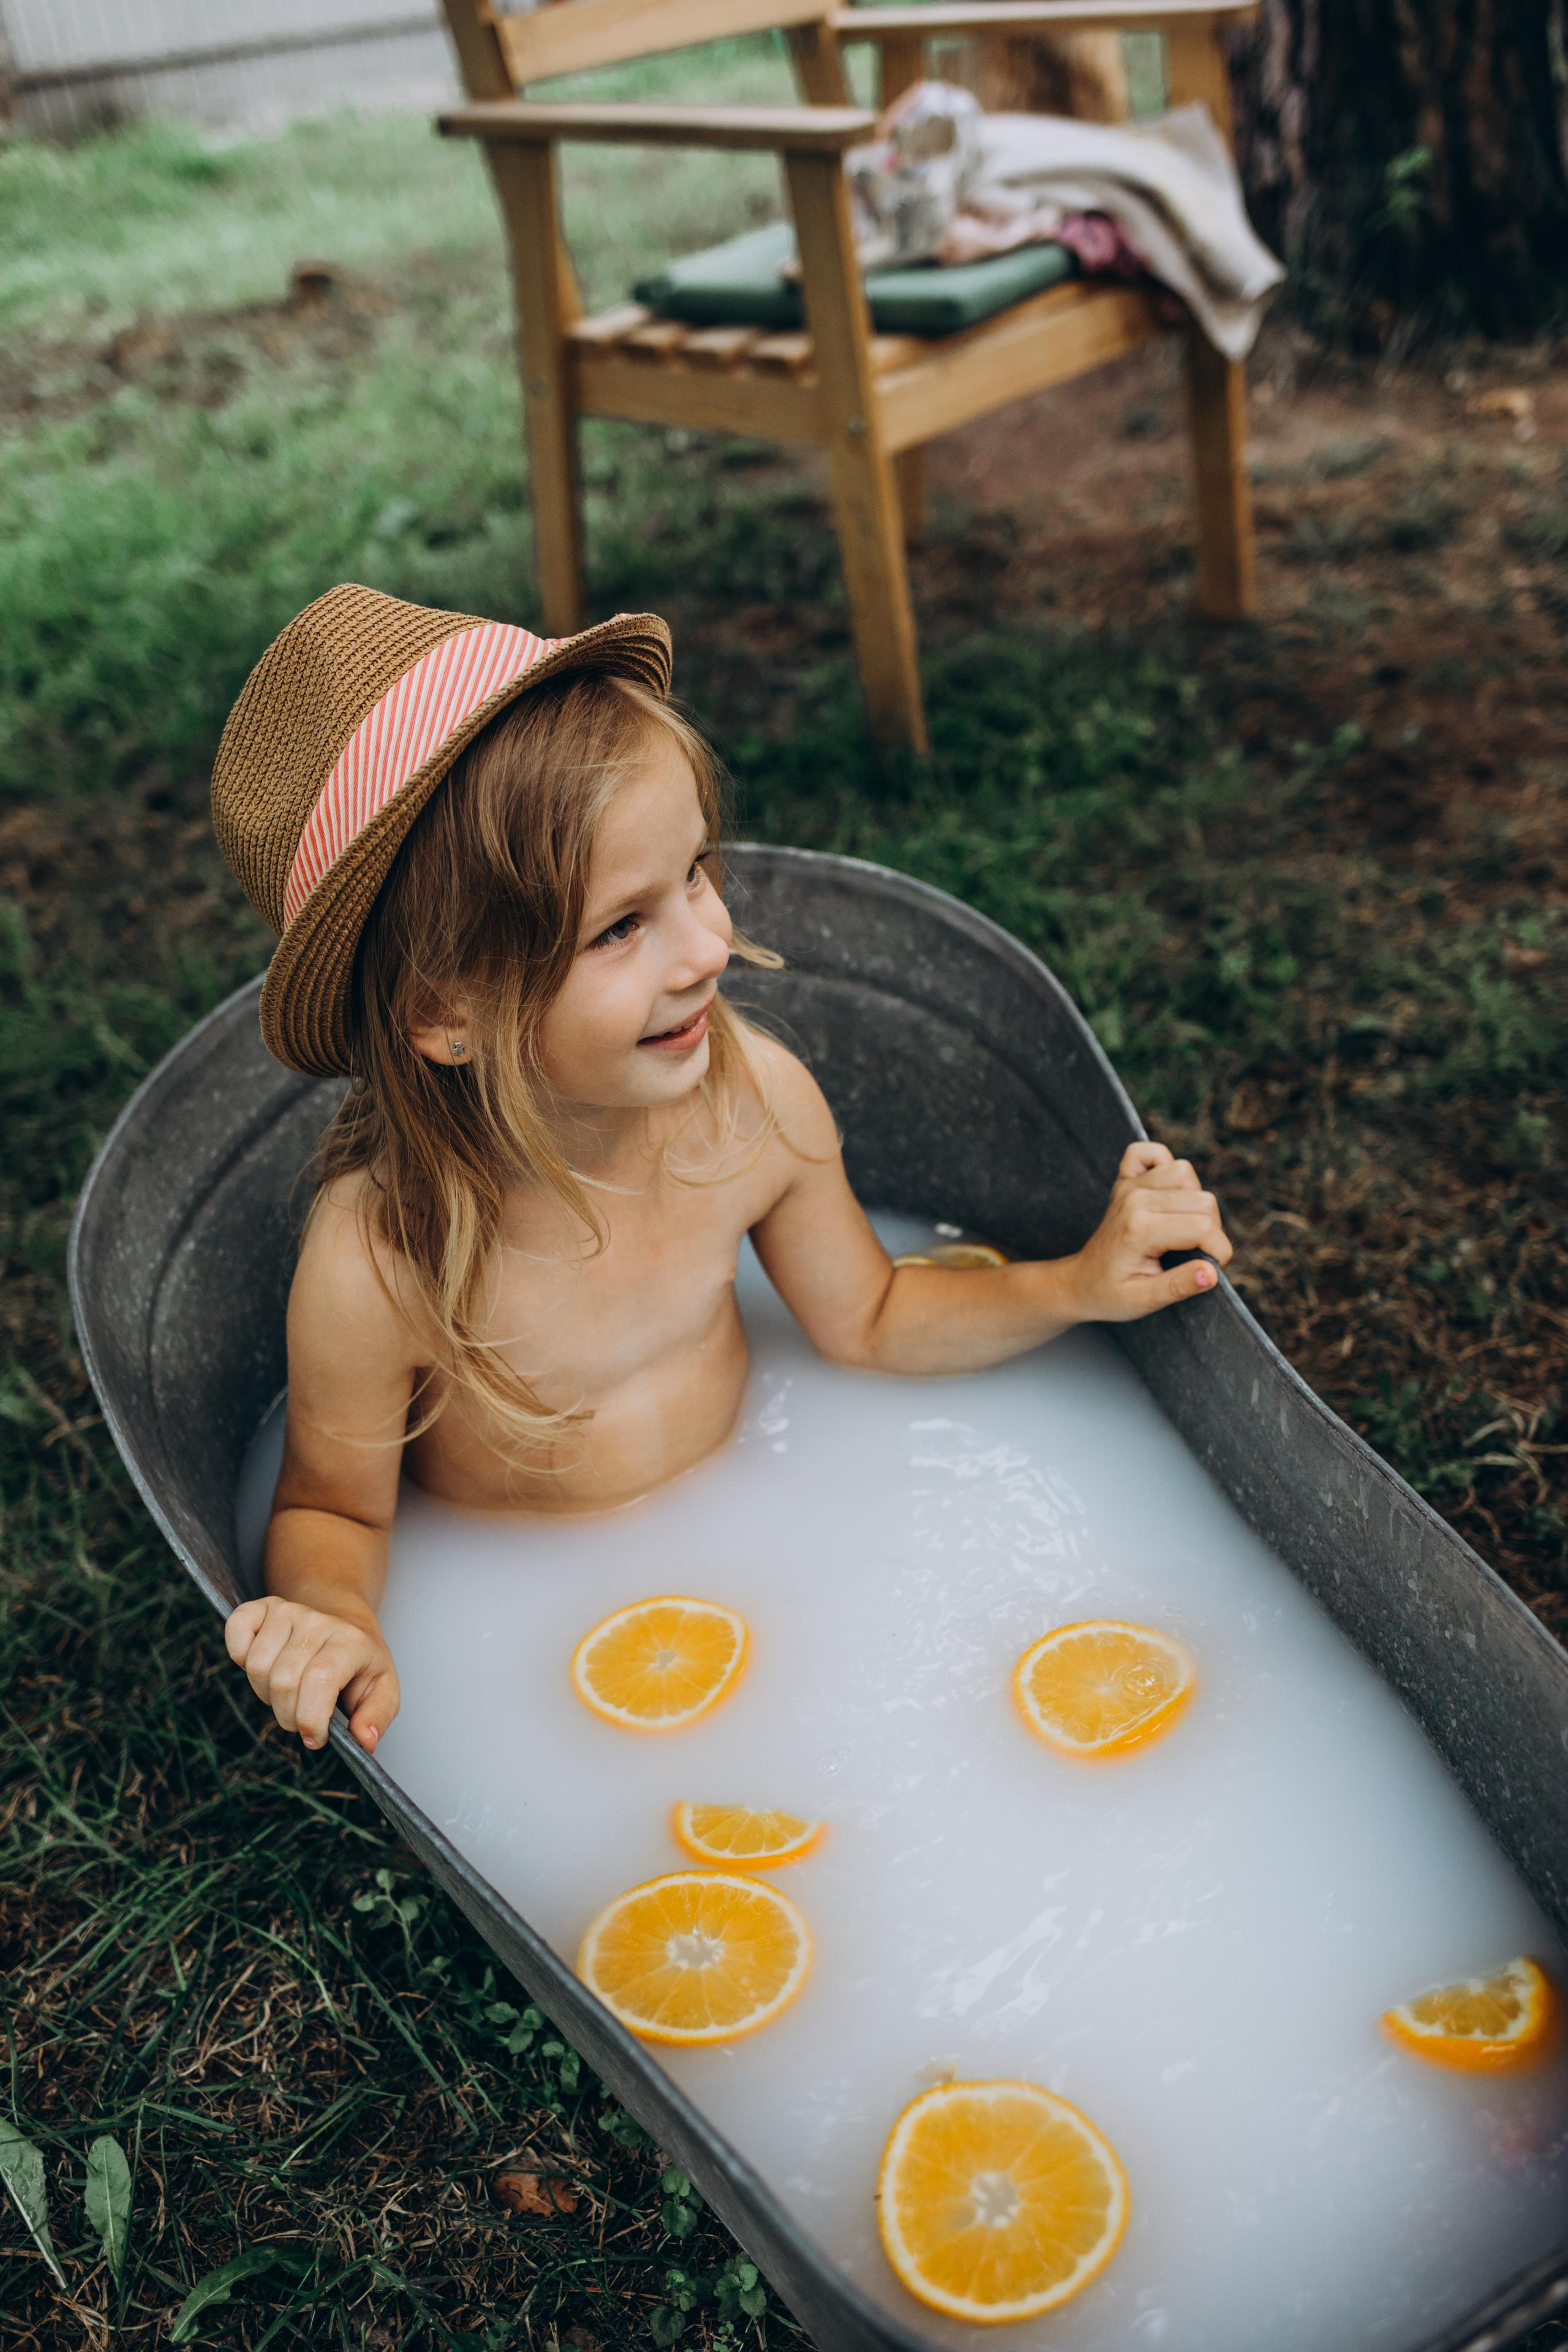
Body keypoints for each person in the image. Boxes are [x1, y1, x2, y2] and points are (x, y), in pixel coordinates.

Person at [213, 586, 1233, 1762]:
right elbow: (332, 1507)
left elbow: (873, 1315)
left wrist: (1077, 1283)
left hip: (766, 1537)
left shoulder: (751, 1110)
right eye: (619, 928)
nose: (707, 949)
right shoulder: (384, 1257)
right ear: (447, 1009)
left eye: (694, 872)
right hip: (548, 1640)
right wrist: (336, 1617)